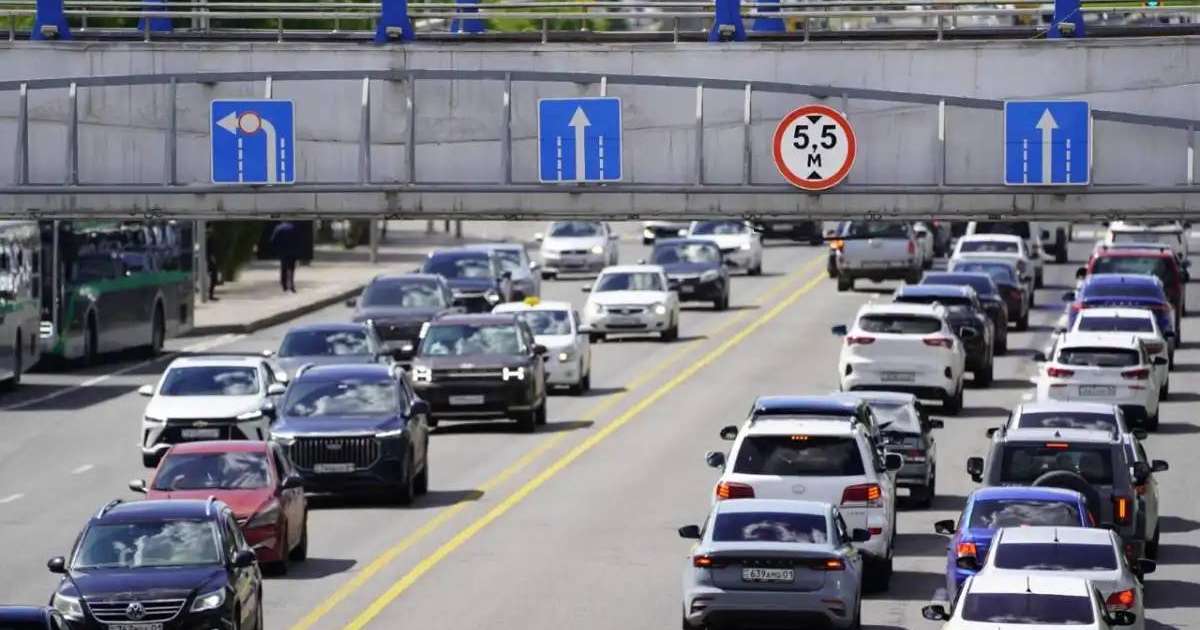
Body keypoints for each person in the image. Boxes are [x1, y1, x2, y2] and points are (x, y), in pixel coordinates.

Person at [270, 221, 300, 293]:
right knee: (291, 268)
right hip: (292, 250)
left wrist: (276, 249)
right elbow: (298, 239)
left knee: (284, 267)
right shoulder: (293, 227)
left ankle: (284, 285)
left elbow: (273, 240)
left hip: (282, 251)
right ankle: (291, 284)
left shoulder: (278, 228)